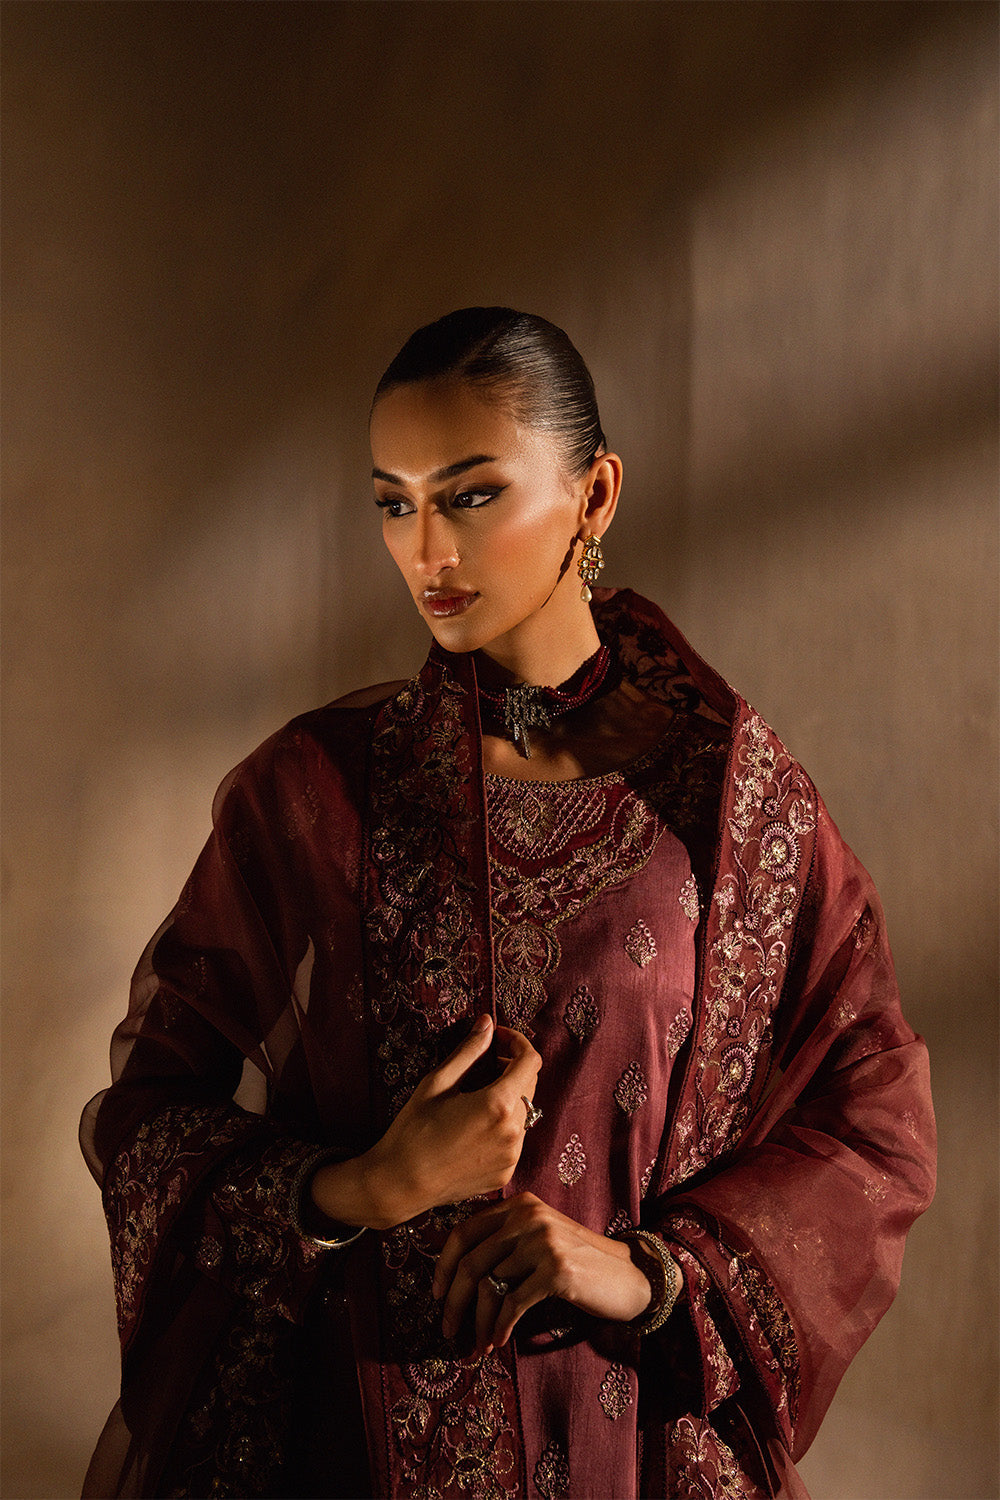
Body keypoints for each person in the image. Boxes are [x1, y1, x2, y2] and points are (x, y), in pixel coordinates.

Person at [81, 308, 935, 1500]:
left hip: (628, 1446)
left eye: (471, 495)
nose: (426, 549)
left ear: (594, 496)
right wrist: (363, 1189)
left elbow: (870, 1116)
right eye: (393, 504)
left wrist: (642, 1273)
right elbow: (147, 1118)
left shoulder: (727, 806)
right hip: (357, 1448)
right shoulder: (318, 793)